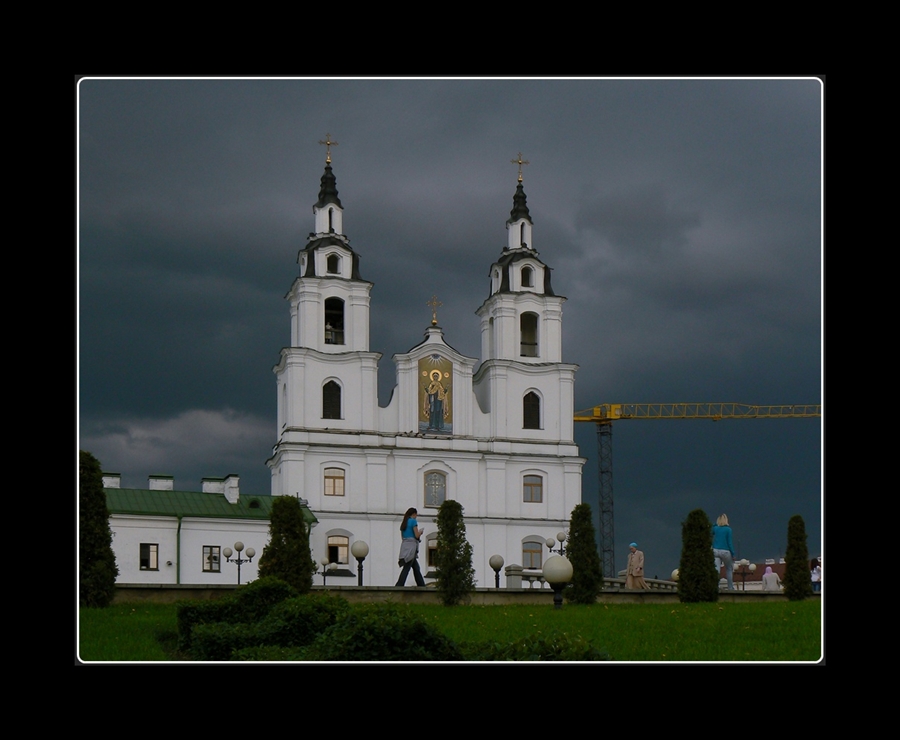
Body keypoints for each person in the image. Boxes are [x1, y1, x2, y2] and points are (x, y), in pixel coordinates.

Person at [395, 507, 426, 587]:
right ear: (414, 514)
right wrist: (420, 532)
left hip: (405, 546)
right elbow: (416, 535)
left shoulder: (404, 523)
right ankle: (399, 585)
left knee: (416, 567)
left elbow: (403, 537)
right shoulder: (413, 521)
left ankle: (421, 584)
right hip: (412, 547)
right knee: (407, 567)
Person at [712, 513, 736, 591]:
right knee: (729, 569)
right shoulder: (728, 530)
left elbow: (710, 531)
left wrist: (715, 524)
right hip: (725, 551)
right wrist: (733, 554)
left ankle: (716, 586)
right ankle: (730, 587)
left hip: (715, 551)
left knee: (717, 569)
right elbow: (729, 542)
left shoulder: (715, 528)